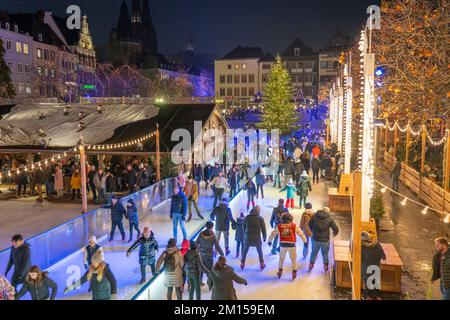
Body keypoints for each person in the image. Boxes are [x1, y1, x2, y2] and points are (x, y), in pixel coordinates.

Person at [268, 212, 307, 280]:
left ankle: (280, 270)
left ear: (282, 219)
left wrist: (270, 240)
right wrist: (305, 241)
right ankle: (294, 272)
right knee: (293, 259)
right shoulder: (294, 225)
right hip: (292, 245)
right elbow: (300, 233)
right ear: (291, 219)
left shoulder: (279, 226)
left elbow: (273, 233)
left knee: (281, 258)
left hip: (283, 245)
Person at [308, 207, 339, 272]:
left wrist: (313, 231)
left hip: (315, 238)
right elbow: (335, 228)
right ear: (328, 212)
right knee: (325, 253)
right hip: (325, 240)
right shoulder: (330, 218)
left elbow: (309, 224)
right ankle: (325, 266)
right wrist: (334, 233)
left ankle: (311, 264)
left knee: (314, 252)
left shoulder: (315, 216)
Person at [196, 221, 224, 285]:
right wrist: (222, 254)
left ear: (206, 226)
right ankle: (210, 283)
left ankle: (199, 282)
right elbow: (217, 246)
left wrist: (198, 250)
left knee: (201, 268)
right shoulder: (212, 235)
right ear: (212, 227)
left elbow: (196, 243)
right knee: (210, 269)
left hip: (202, 254)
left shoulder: (201, 234)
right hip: (209, 255)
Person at [361, 231, 386, 300]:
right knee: (376, 282)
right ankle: (377, 296)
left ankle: (368, 297)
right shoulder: (377, 245)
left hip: (366, 269)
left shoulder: (362, 247)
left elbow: (360, 258)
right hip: (376, 267)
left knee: (368, 283)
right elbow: (383, 256)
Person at [241, 206, 267, 271]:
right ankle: (262, 264)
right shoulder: (260, 218)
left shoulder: (247, 217)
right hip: (257, 238)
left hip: (248, 238)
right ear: (258, 211)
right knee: (259, 251)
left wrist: (245, 235)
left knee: (244, 251)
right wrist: (264, 237)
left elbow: (243, 227)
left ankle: (242, 263)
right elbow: (263, 229)